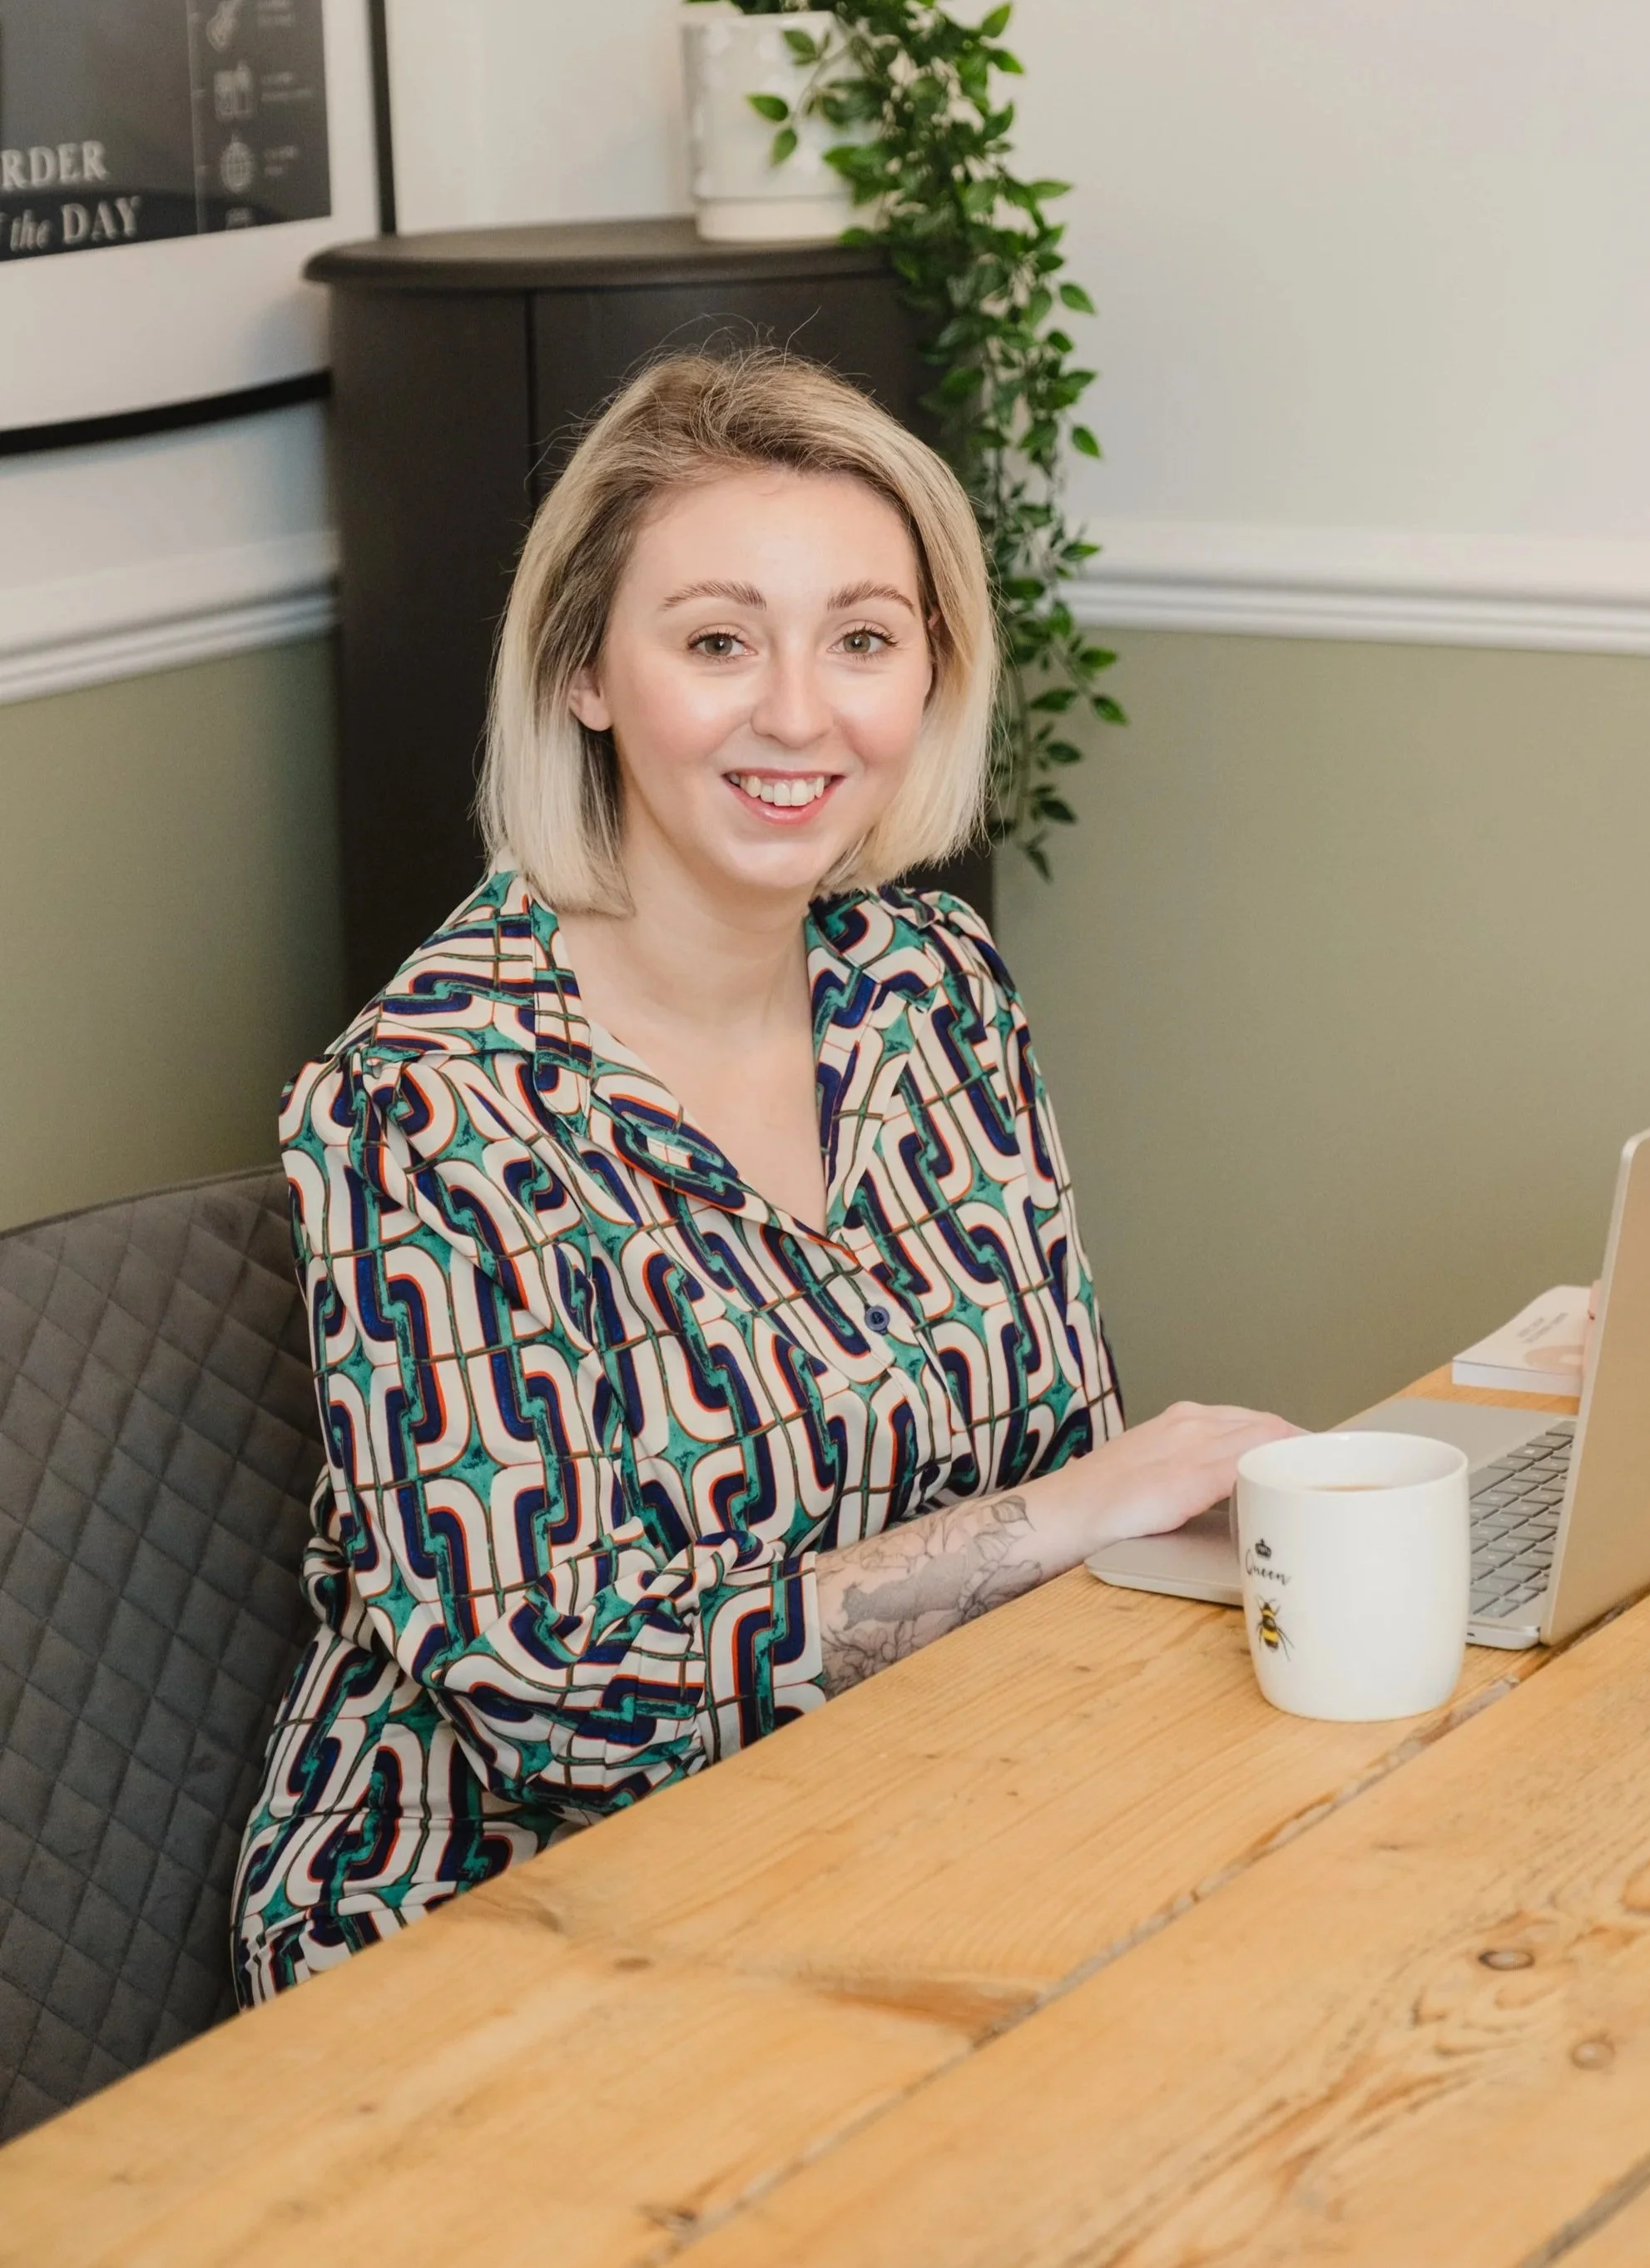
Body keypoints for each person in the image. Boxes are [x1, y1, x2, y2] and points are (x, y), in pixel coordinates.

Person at [232, 349, 1296, 2002]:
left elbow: (1048, 1455)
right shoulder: (432, 1103)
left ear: (926, 676)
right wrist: (1062, 1516)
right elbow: (549, 1694)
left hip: (895, 1826)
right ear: (587, 673)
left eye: (859, 640)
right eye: (718, 640)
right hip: (493, 1938)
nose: (796, 713)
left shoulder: (931, 985)